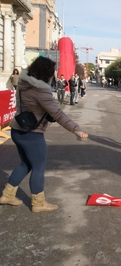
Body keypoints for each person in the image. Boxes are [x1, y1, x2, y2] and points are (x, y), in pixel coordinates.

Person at [0, 56, 89, 212]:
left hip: (17, 129)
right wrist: (77, 129)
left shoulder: (23, 83)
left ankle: (7, 195)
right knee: (38, 167)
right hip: (32, 134)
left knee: (25, 164)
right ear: (46, 73)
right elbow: (58, 114)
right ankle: (38, 203)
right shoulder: (41, 91)